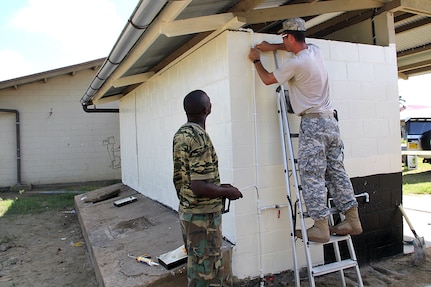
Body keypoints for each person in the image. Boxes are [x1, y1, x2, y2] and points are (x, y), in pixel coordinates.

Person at [247, 18, 362, 243]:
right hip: (330, 121)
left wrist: (257, 60)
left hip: (313, 123)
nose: (284, 42)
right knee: (336, 170)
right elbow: (292, 46)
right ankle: (353, 218)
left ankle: (320, 226)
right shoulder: (315, 51)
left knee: (312, 174)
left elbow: (269, 79)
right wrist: (273, 47)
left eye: (284, 38)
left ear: (289, 36)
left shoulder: (297, 63)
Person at [172, 90, 243, 286]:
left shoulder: (181, 134)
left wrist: (220, 187)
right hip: (203, 219)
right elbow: (198, 186)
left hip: (188, 213)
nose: (211, 103)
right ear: (206, 109)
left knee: (197, 267)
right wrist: (228, 192)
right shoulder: (200, 139)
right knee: (207, 273)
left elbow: (185, 177)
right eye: (210, 101)